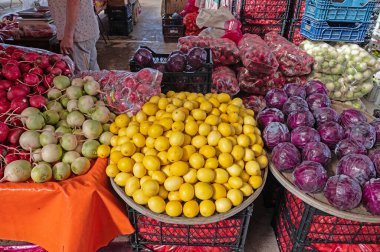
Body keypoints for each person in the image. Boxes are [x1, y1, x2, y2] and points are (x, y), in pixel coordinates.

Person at [48, 0, 100, 73]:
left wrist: (68, 36)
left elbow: (73, 2)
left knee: (82, 75)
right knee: (92, 70)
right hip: (84, 31)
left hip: (78, 34)